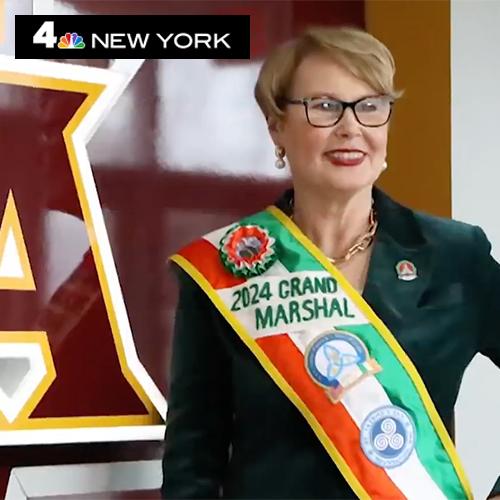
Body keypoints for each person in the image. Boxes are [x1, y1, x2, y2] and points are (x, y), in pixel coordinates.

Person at [161, 25, 500, 499]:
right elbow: (193, 458)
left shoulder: (454, 257)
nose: (351, 126)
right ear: (276, 125)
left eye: (370, 106)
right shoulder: (224, 268)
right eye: (324, 106)